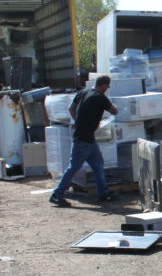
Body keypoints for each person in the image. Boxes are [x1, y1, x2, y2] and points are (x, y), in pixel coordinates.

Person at [50, 75, 118, 207]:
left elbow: (71, 109)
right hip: (83, 139)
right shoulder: (100, 97)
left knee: (98, 165)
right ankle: (57, 194)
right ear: (104, 85)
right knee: (73, 167)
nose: (107, 89)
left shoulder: (83, 92)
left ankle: (103, 193)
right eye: (107, 86)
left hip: (87, 137)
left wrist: (79, 121)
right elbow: (114, 111)